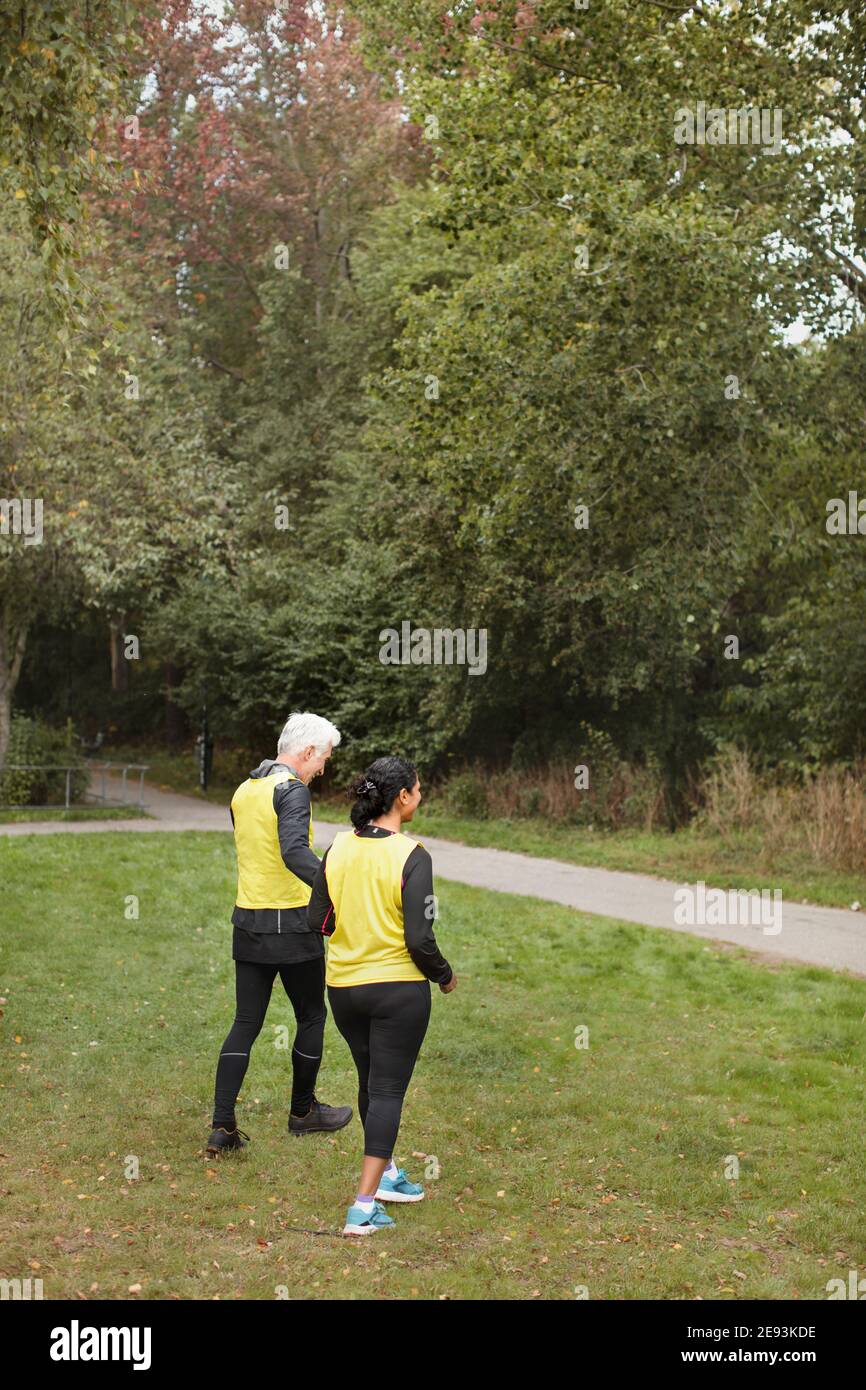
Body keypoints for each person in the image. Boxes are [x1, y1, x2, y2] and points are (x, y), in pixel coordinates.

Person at [307, 755, 456, 1235]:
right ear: (402, 798)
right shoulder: (413, 855)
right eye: (418, 788)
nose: (421, 795)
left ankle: (388, 1174)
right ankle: (362, 1206)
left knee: (371, 1081)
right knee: (388, 1090)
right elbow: (419, 939)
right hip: (397, 991)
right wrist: (445, 975)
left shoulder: (338, 848)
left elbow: (319, 920)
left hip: (345, 990)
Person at [206, 711, 353, 1155]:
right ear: (307, 752)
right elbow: (292, 852)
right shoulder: (292, 791)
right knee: (311, 1016)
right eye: (323, 758)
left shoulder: (243, 790)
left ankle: (222, 1127)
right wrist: (335, 888)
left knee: (245, 1024)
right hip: (291, 926)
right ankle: (304, 1113)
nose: (323, 768)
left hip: (248, 923)